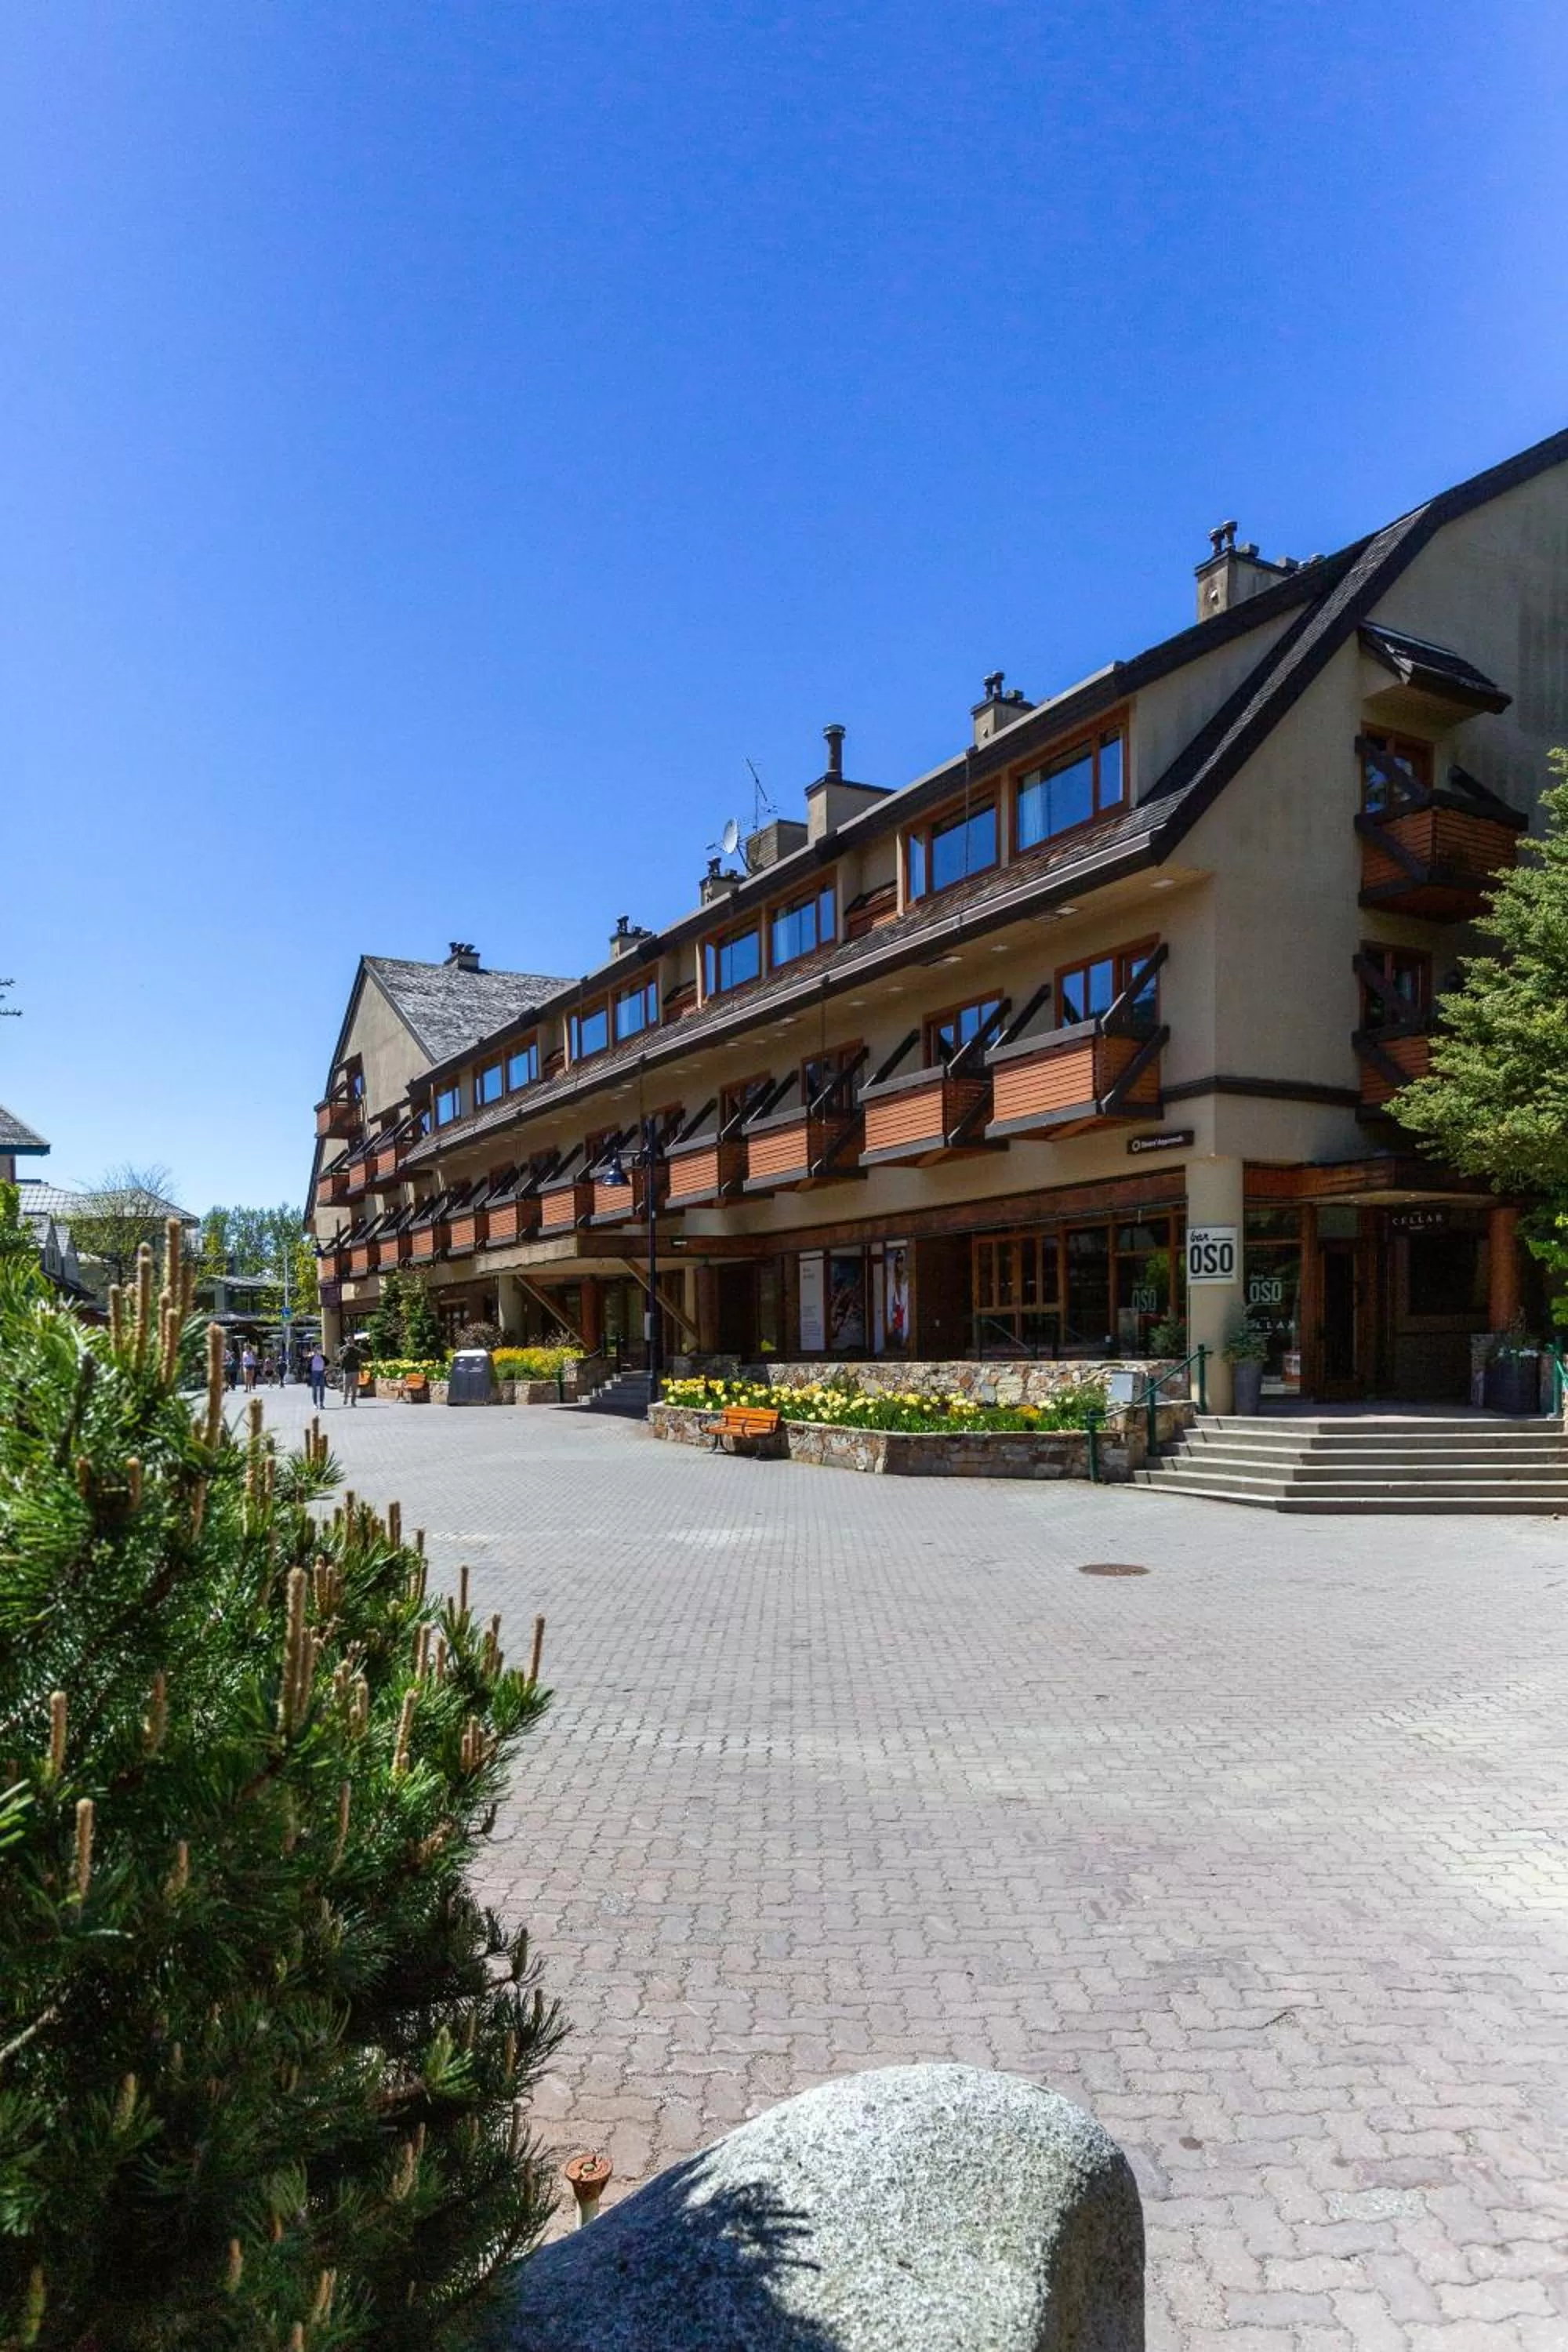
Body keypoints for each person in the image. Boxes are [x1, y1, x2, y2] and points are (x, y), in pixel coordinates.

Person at [339, 1335, 363, 1405]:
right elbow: (339, 1359)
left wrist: (361, 1370)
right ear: (346, 1340)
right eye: (348, 1339)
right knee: (346, 1387)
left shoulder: (357, 1350)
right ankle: (345, 1398)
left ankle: (353, 1402)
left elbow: (359, 1361)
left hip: (355, 1370)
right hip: (346, 1371)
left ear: (353, 1340)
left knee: (354, 1388)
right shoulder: (343, 1349)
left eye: (351, 1339)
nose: (350, 1341)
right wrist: (344, 1354)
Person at [308, 1344, 328, 1410]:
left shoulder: (323, 1357)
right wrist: (309, 1373)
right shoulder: (312, 1357)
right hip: (314, 1373)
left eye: (321, 1349)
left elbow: (328, 1362)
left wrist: (324, 1369)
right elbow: (308, 1365)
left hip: (321, 1373)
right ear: (316, 1350)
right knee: (315, 1389)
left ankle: (321, 1403)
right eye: (319, 1349)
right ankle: (315, 1404)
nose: (321, 1350)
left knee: (322, 1389)